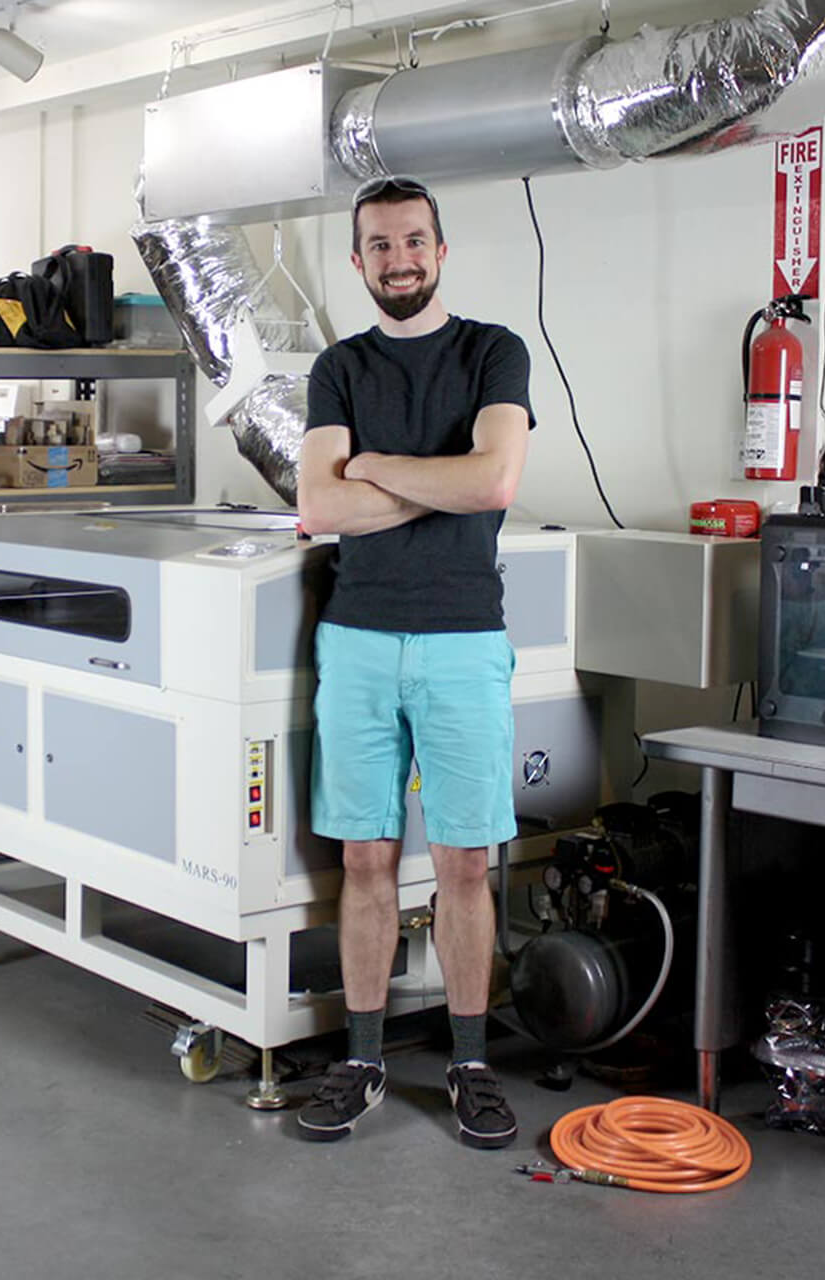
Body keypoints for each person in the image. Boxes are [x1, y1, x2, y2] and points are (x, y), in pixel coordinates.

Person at [293, 175, 533, 1148]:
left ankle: (470, 1062)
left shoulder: (493, 350)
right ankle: (362, 1057)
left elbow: (498, 478)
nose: (399, 258)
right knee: (365, 857)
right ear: (359, 262)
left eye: (414, 240)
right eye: (380, 245)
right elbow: (319, 507)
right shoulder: (338, 367)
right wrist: (440, 482)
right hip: (356, 636)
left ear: (441, 248)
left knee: (467, 860)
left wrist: (379, 467)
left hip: (465, 637)